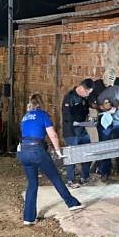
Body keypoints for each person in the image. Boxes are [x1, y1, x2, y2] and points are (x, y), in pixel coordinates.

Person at [18, 93, 83, 225]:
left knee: (32, 183)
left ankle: (28, 218)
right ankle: (72, 203)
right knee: (55, 178)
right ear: (41, 103)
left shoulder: (25, 117)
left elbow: (28, 134)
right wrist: (58, 151)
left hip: (23, 151)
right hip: (36, 151)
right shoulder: (43, 115)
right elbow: (53, 135)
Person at [62, 78, 95, 188]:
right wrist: (77, 121)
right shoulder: (69, 97)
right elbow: (67, 116)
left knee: (87, 151)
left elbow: (86, 111)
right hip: (71, 132)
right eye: (87, 92)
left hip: (82, 130)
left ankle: (84, 177)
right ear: (81, 88)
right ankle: (70, 180)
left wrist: (88, 118)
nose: (88, 95)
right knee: (71, 155)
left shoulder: (85, 98)